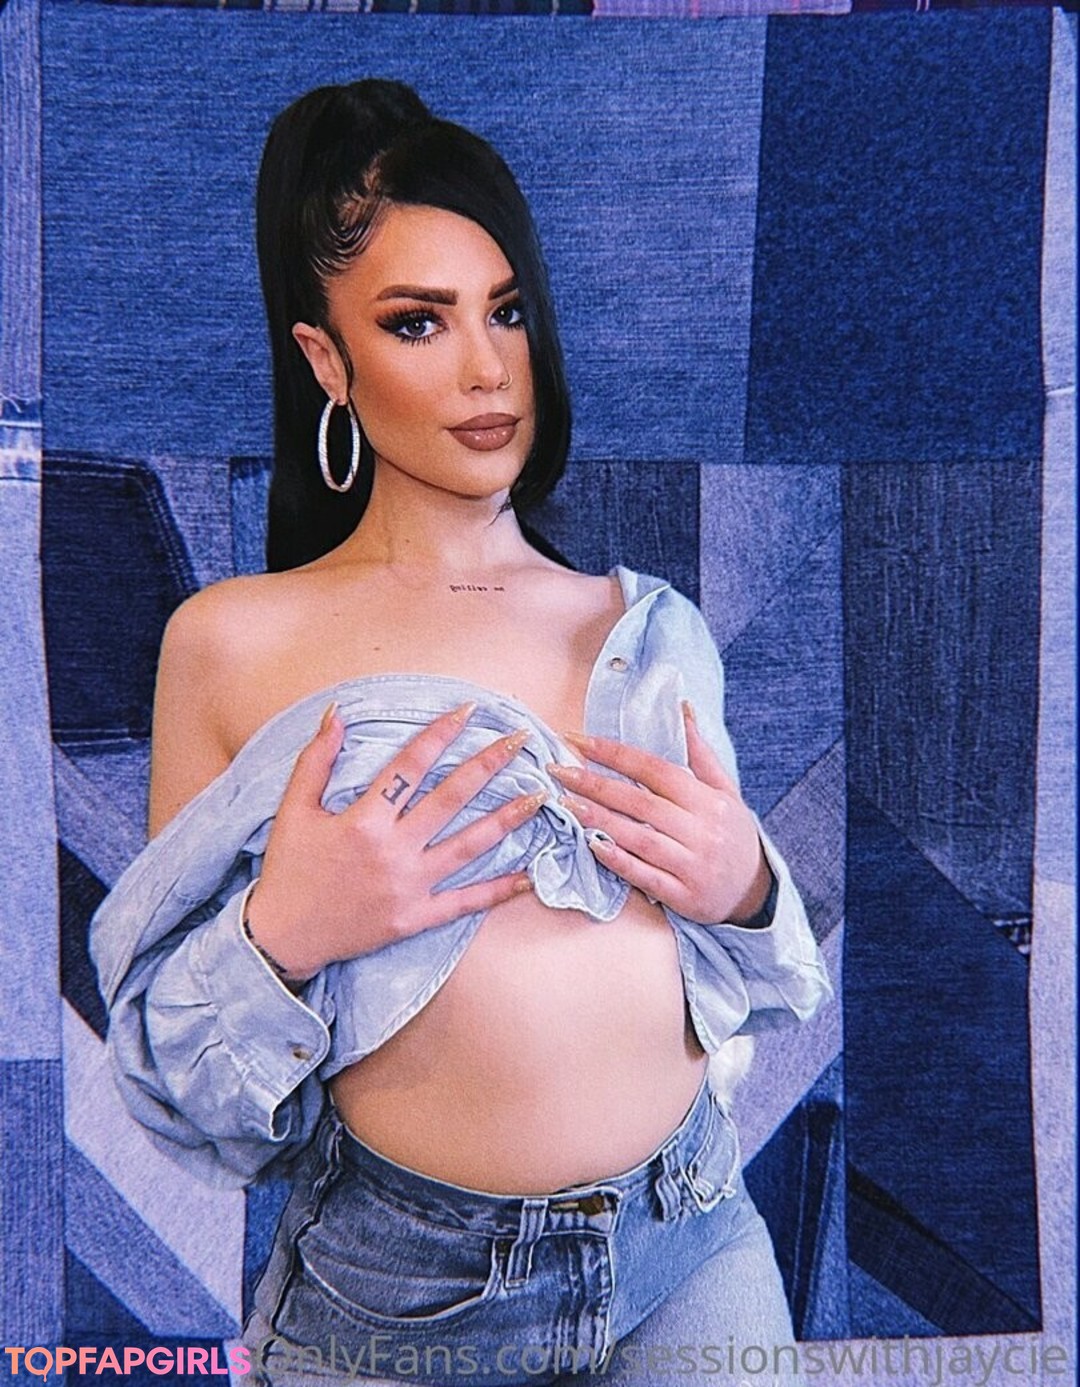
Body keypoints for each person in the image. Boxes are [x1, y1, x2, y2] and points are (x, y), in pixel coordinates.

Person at [91, 79, 832, 1386]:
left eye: (508, 311)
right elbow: (182, 1096)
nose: (487, 369)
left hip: (690, 1247)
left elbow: (761, 986)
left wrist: (745, 887)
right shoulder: (228, 643)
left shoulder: (650, 625)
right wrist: (286, 934)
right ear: (328, 360)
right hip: (398, 1307)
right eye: (418, 322)